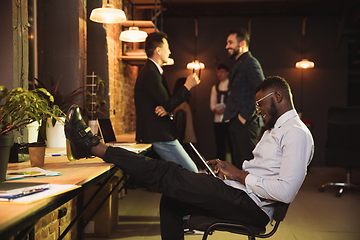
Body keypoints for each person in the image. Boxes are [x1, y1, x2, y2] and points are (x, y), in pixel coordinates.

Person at [65, 76, 314, 240]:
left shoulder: (295, 133)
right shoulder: (278, 130)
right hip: (240, 194)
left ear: (278, 97)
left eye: (259, 104)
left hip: (251, 207)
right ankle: (92, 146)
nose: (257, 110)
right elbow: (263, 174)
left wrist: (239, 175)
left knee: (168, 174)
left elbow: (285, 192)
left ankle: (91, 145)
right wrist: (230, 174)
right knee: (171, 200)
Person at [134, 32, 200, 173]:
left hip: (159, 134)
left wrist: (167, 108)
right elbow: (168, 103)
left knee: (176, 175)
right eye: (167, 47)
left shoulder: (153, 71)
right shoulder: (151, 73)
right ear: (158, 50)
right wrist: (187, 86)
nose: (169, 51)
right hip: (159, 135)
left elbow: (166, 103)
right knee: (192, 172)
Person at [223, 28, 264, 169]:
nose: (227, 46)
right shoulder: (240, 63)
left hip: (246, 123)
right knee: (239, 165)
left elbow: (261, 91)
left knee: (248, 166)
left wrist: (244, 116)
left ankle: (249, 192)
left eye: (230, 42)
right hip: (237, 121)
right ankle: (240, 192)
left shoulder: (250, 62)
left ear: (241, 44)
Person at [210, 63, 230, 161]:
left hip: (229, 120)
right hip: (218, 120)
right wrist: (215, 109)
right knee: (219, 144)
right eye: (218, 72)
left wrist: (226, 110)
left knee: (231, 143)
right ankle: (220, 166)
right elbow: (212, 103)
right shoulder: (215, 87)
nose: (219, 74)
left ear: (227, 73)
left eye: (222, 72)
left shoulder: (231, 85)